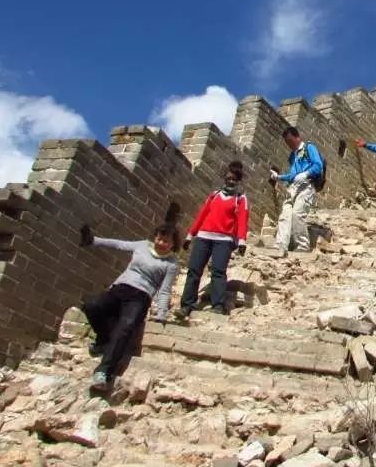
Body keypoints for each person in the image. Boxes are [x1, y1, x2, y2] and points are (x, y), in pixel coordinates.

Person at [79, 222, 179, 392]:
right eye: (160, 238)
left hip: (140, 297)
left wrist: (162, 312)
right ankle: (103, 340)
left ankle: (104, 372)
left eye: (166, 241)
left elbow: (164, 290)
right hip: (120, 288)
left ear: (173, 244)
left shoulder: (171, 264)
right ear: (155, 237)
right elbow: (118, 244)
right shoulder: (142, 246)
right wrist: (93, 241)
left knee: (125, 328)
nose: (161, 243)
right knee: (92, 306)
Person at [177, 161, 249, 318]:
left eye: (234, 179)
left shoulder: (240, 199)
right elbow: (202, 215)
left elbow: (243, 219)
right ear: (224, 178)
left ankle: (218, 305)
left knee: (218, 272)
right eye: (228, 178)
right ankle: (187, 305)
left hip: (224, 240)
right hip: (203, 237)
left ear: (238, 180)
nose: (231, 181)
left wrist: (242, 241)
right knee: (194, 271)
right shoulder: (214, 195)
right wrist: (190, 235)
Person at [270, 127, 324, 256]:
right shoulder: (293, 156)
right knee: (285, 216)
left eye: (290, 141)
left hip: (306, 185)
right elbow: (292, 176)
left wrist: (306, 174)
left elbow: (318, 165)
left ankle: (302, 245)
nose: (289, 144)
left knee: (297, 214)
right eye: (287, 142)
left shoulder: (309, 148)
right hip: (293, 188)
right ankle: (280, 244)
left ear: (297, 137)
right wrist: (279, 177)